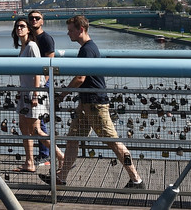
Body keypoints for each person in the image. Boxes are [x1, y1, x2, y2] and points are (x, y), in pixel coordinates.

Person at [46, 15, 145, 189]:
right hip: (86, 104)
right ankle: (60, 178)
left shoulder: (87, 50)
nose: (68, 34)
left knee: (114, 142)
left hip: (95, 105)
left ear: (81, 30)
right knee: (72, 140)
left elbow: (80, 77)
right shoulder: (88, 48)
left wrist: (61, 95)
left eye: (71, 30)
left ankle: (136, 179)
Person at [11, 19, 54, 173]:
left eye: (22, 26)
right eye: (17, 26)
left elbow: (37, 70)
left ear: (28, 29)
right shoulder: (23, 47)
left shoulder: (32, 46)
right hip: (25, 92)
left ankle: (61, 157)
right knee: (24, 127)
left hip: (33, 93)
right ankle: (29, 162)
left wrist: (36, 94)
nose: (19, 29)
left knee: (36, 130)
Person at [28, 10, 58, 163]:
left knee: (40, 120)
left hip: (41, 86)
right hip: (32, 84)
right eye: (31, 18)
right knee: (36, 120)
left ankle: (46, 154)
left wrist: (40, 88)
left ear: (42, 21)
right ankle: (44, 153)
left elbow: (49, 65)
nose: (34, 20)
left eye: (37, 18)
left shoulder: (46, 39)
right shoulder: (29, 38)